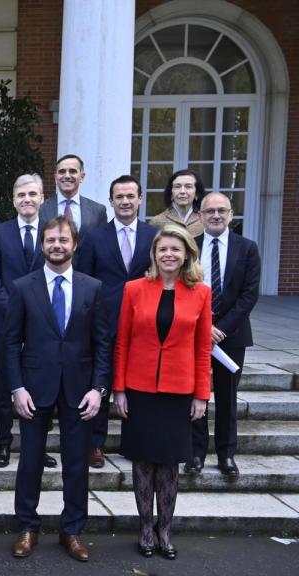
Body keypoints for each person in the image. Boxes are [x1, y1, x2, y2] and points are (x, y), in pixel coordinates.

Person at [7, 216, 110, 563]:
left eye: (63, 240)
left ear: (74, 245)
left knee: (77, 463)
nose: (57, 246)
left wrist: (99, 389)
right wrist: (17, 387)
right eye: (50, 240)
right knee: (30, 461)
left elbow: (103, 343)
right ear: (42, 245)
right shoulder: (23, 287)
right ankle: (27, 527)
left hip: (80, 390)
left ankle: (72, 530)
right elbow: (10, 343)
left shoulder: (92, 288)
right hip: (34, 389)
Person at [113, 224, 212, 560]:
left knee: (169, 463)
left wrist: (202, 394)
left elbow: (202, 349)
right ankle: (145, 528)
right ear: (154, 255)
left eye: (175, 249)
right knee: (142, 461)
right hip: (139, 389)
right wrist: (119, 389)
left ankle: (164, 530)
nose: (169, 254)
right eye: (163, 249)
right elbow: (122, 341)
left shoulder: (201, 293)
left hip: (178, 390)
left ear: (187, 255)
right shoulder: (134, 289)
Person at [76, 175, 158, 468]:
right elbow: (84, 280)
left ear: (140, 199)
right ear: (110, 201)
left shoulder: (154, 236)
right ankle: (95, 444)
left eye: (130, 196)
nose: (125, 201)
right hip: (104, 322)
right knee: (101, 380)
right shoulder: (95, 237)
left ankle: (135, 442)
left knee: (139, 385)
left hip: (144, 323)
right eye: (119, 197)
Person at [189, 192, 261, 476]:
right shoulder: (190, 247)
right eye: (210, 211)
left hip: (232, 336)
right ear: (200, 216)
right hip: (194, 333)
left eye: (222, 210)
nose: (216, 215)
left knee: (228, 396)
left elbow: (249, 295)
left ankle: (226, 455)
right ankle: (195, 453)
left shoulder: (247, 248)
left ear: (231, 215)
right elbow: (184, 289)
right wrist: (202, 326)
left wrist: (220, 329)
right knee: (195, 394)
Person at [0, 174, 45, 469]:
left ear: (42, 198)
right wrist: (15, 311)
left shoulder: (52, 231)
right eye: (21, 195)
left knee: (41, 386)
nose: (27, 199)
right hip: (5, 322)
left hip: (44, 324)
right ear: (13, 200)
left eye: (32, 194)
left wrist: (36, 312)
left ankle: (36, 447)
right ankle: (3, 443)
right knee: (4, 386)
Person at [38, 154, 108, 237]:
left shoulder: (98, 211)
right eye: (62, 171)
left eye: (72, 171)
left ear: (82, 177)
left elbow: (103, 242)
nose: (67, 176)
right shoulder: (41, 209)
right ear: (56, 178)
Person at [148, 169, 206, 237]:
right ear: (171, 193)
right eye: (177, 187)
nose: (182, 191)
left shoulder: (204, 220)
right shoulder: (157, 222)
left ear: (197, 194)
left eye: (188, 187)